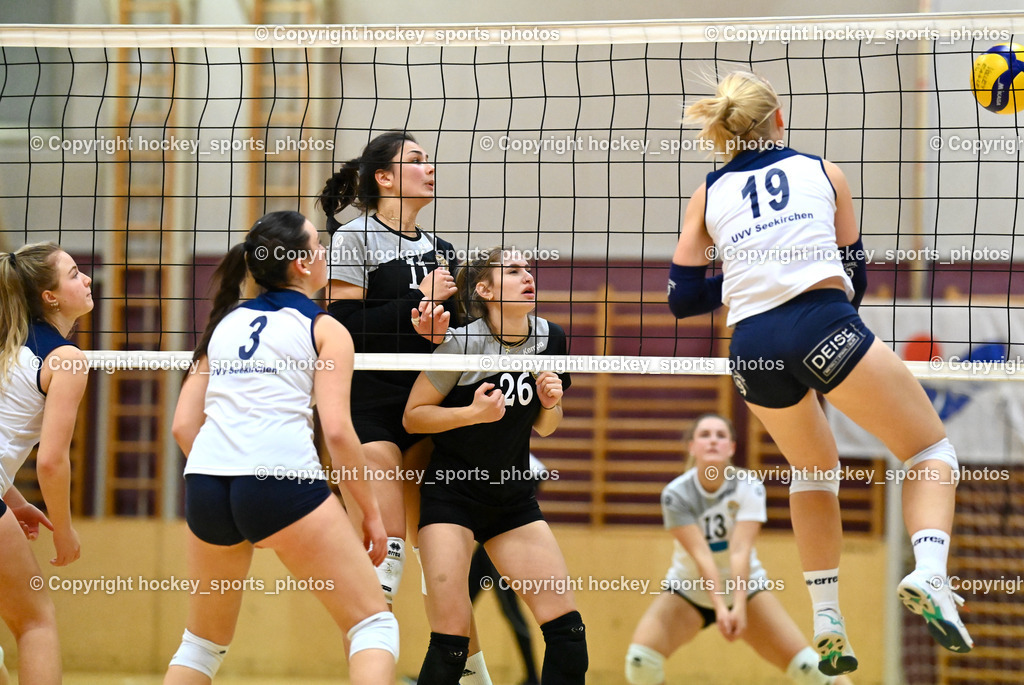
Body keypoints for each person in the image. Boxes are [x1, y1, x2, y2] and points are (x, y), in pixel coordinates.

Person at [667, 70, 972, 675]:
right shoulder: (825, 171)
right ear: (778, 119)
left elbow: (680, 298)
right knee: (929, 450)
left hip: (751, 348)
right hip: (822, 324)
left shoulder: (707, 192)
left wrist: (748, 266)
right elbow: (855, 276)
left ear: (725, 128)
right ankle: (931, 572)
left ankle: (828, 620)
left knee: (812, 470)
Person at [165, 211, 397, 684]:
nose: (326, 253)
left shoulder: (225, 323)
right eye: (319, 246)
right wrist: (371, 512)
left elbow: (183, 425)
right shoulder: (326, 328)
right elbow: (338, 432)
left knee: (201, 644)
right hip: (281, 477)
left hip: (207, 482)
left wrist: (234, 477)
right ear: (301, 264)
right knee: (373, 623)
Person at [403, 248, 587, 685]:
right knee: (451, 644)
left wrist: (551, 403)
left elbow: (546, 427)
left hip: (512, 500)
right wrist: (472, 414)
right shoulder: (461, 343)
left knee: (568, 635)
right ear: (484, 290)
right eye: (514, 270)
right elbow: (413, 416)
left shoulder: (551, 338)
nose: (528, 277)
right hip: (452, 496)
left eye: (529, 269)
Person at [320, 130, 457, 610]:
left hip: (422, 407)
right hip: (369, 406)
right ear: (384, 177)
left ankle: (462, 655)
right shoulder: (354, 237)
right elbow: (343, 327)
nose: (429, 168)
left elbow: (446, 336)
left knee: (444, 561)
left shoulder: (442, 250)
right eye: (417, 160)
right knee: (386, 559)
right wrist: (418, 297)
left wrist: (439, 330)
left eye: (429, 159)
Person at [625, 414, 854, 685]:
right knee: (640, 663)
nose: (713, 440)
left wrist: (739, 606)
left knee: (808, 669)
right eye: (705, 435)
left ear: (732, 448)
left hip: (746, 588)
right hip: (688, 589)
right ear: (692, 447)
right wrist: (720, 607)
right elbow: (702, 555)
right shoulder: (676, 494)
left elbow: (740, 550)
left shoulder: (749, 486)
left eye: (721, 435)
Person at [0, 242, 93, 684]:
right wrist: (64, 530)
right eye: (74, 273)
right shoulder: (66, 359)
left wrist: (15, 501)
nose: (87, 279)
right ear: (50, 297)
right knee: (35, 623)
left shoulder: (7, 348)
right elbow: (52, 462)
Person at [466, 454, 549, 685]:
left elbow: (540, 472)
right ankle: (443, 673)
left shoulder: (514, 452)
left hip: (503, 541)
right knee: (458, 603)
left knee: (510, 610)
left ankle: (532, 677)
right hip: (487, 542)